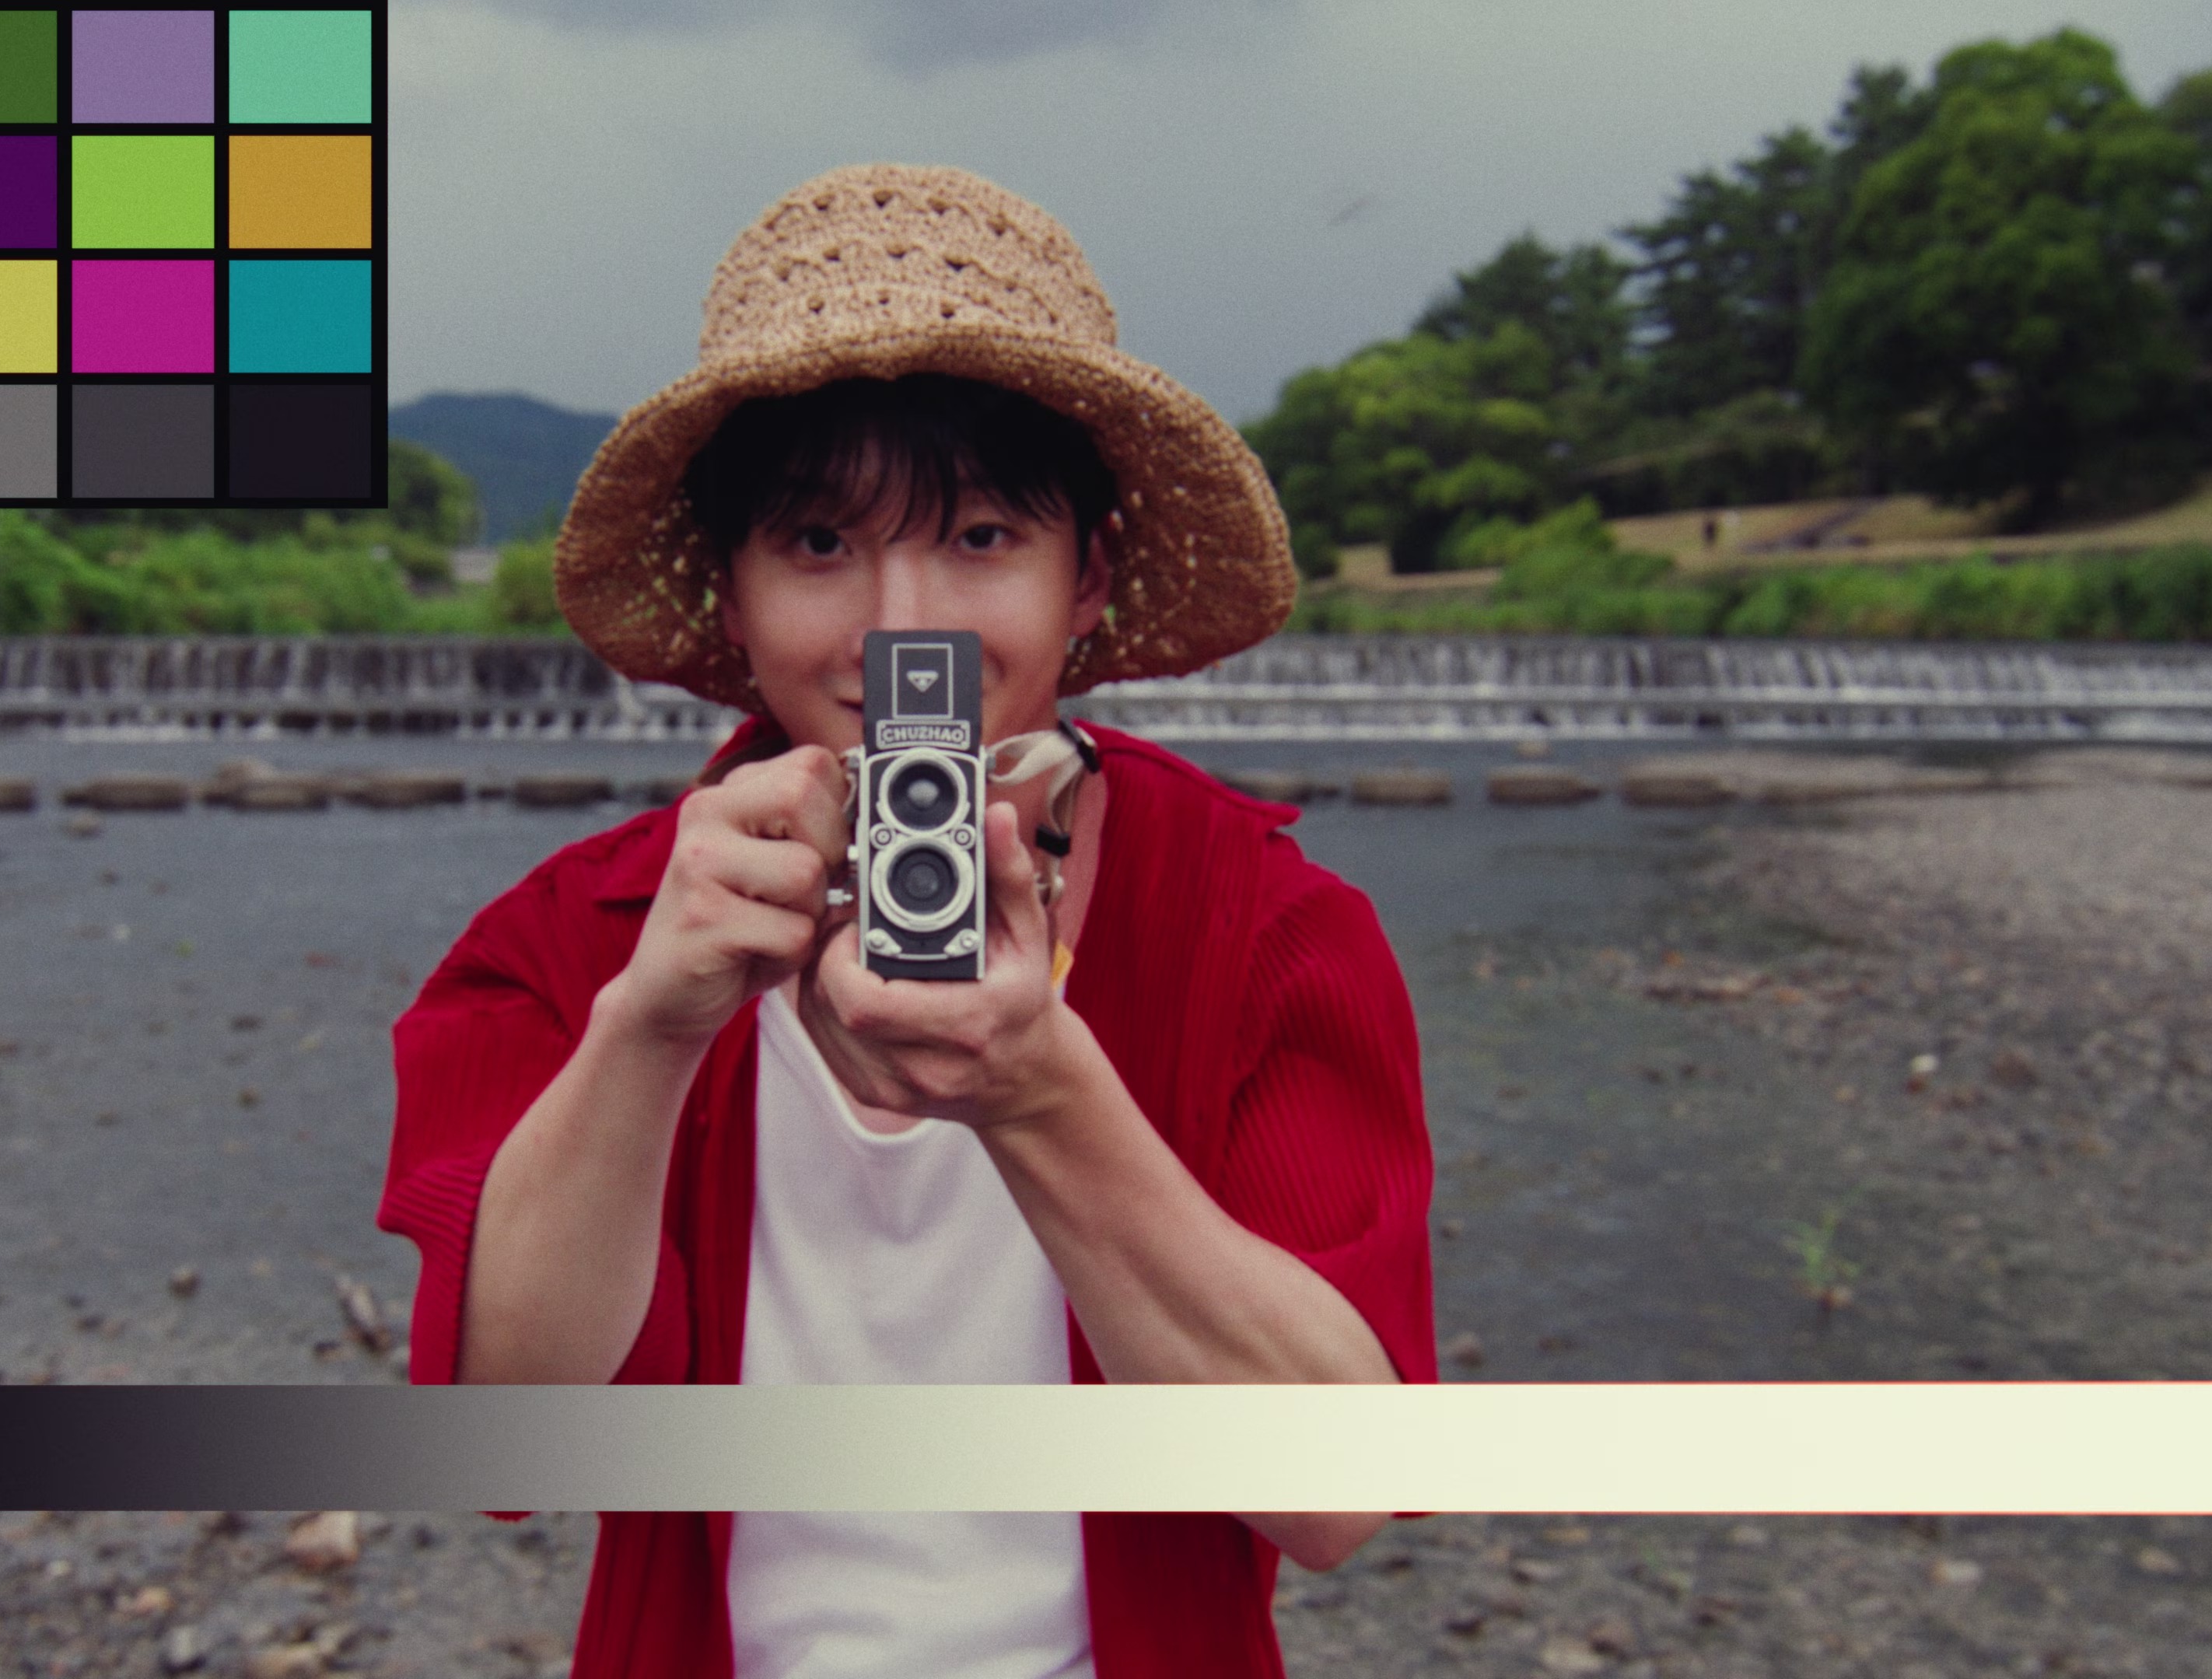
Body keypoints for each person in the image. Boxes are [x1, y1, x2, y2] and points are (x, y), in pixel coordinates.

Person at [380, 163, 1437, 1679]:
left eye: (984, 537)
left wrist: (1045, 1094)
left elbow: (1338, 1502)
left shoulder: (1267, 926)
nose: (902, 624)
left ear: (1093, 581)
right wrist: (650, 1027)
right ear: (735, 600)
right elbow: (507, 1444)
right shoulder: (576, 933)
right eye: (819, 546)